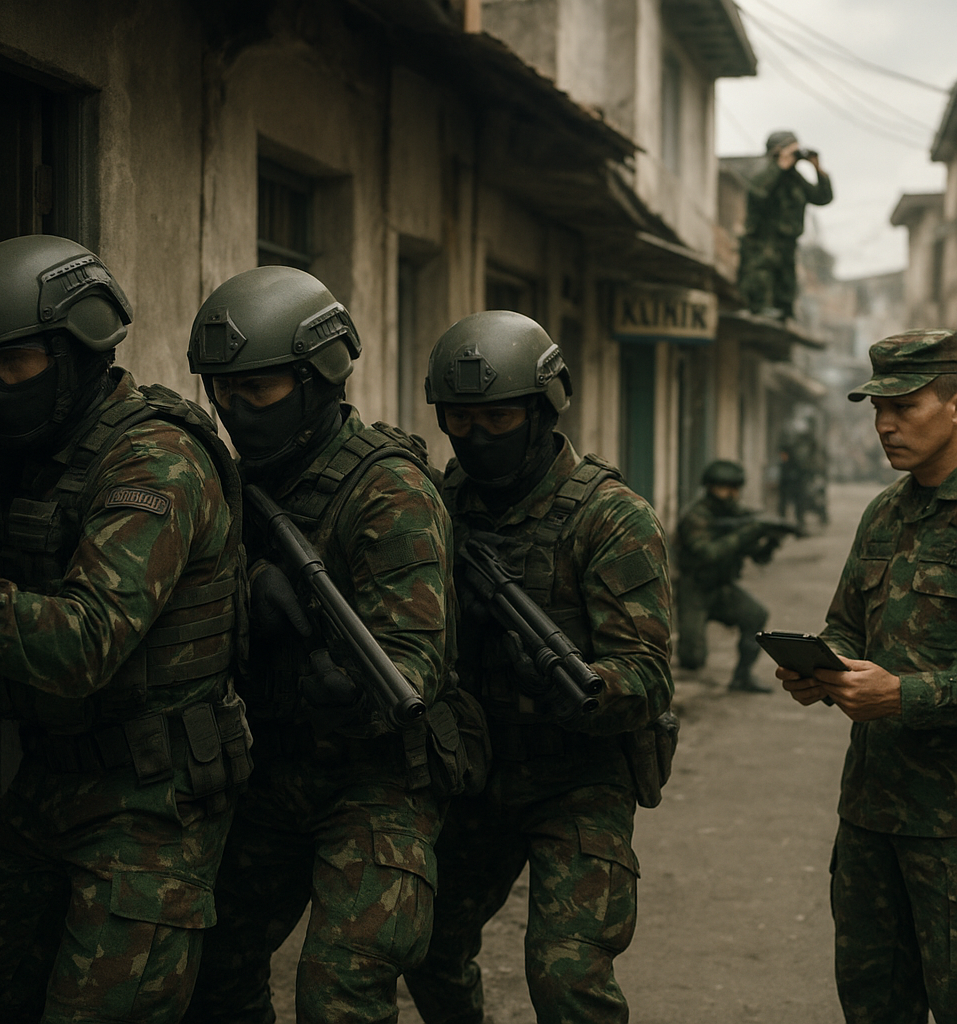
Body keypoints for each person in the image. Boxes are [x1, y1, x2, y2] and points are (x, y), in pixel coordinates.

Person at [0, 235, 251, 1023]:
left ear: (80, 351)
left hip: (151, 801)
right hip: (53, 780)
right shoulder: (39, 457)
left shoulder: (155, 462)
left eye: (14, 362)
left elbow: (83, 644)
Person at [183, 266, 475, 1024]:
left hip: (379, 781)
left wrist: (347, 681)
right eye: (222, 391)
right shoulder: (226, 481)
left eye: (259, 389)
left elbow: (416, 657)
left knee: (340, 990)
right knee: (206, 969)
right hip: (271, 767)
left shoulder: (388, 489)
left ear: (319, 380)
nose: (235, 410)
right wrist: (248, 593)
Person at [403, 310, 674, 1024]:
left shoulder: (610, 517)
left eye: (497, 417)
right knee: (424, 948)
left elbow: (648, 675)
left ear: (543, 409)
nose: (476, 436)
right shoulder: (435, 505)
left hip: (577, 778)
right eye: (459, 419)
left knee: (566, 974)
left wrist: (573, 683)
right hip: (472, 771)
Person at [779, 328, 957, 1024]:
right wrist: (821, 665)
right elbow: (847, 623)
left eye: (904, 406)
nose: (884, 425)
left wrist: (903, 695)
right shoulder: (884, 512)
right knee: (873, 1004)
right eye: (878, 408)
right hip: (872, 814)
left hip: (949, 827)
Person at [674, 459, 797, 693]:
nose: (731, 495)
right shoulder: (695, 516)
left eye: (735, 489)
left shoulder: (738, 514)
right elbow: (708, 553)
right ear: (710, 487)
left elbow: (758, 557)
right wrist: (748, 532)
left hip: (722, 587)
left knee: (756, 615)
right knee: (692, 660)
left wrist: (771, 541)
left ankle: (742, 677)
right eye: (725, 488)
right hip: (695, 590)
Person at [737, 130, 833, 320]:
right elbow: (758, 194)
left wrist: (818, 169)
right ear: (776, 151)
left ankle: (783, 312)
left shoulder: (795, 179)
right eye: (790, 150)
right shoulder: (764, 173)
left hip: (788, 242)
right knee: (761, 275)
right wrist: (780, 166)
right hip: (763, 241)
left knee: (786, 280)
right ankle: (760, 307)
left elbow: (822, 198)